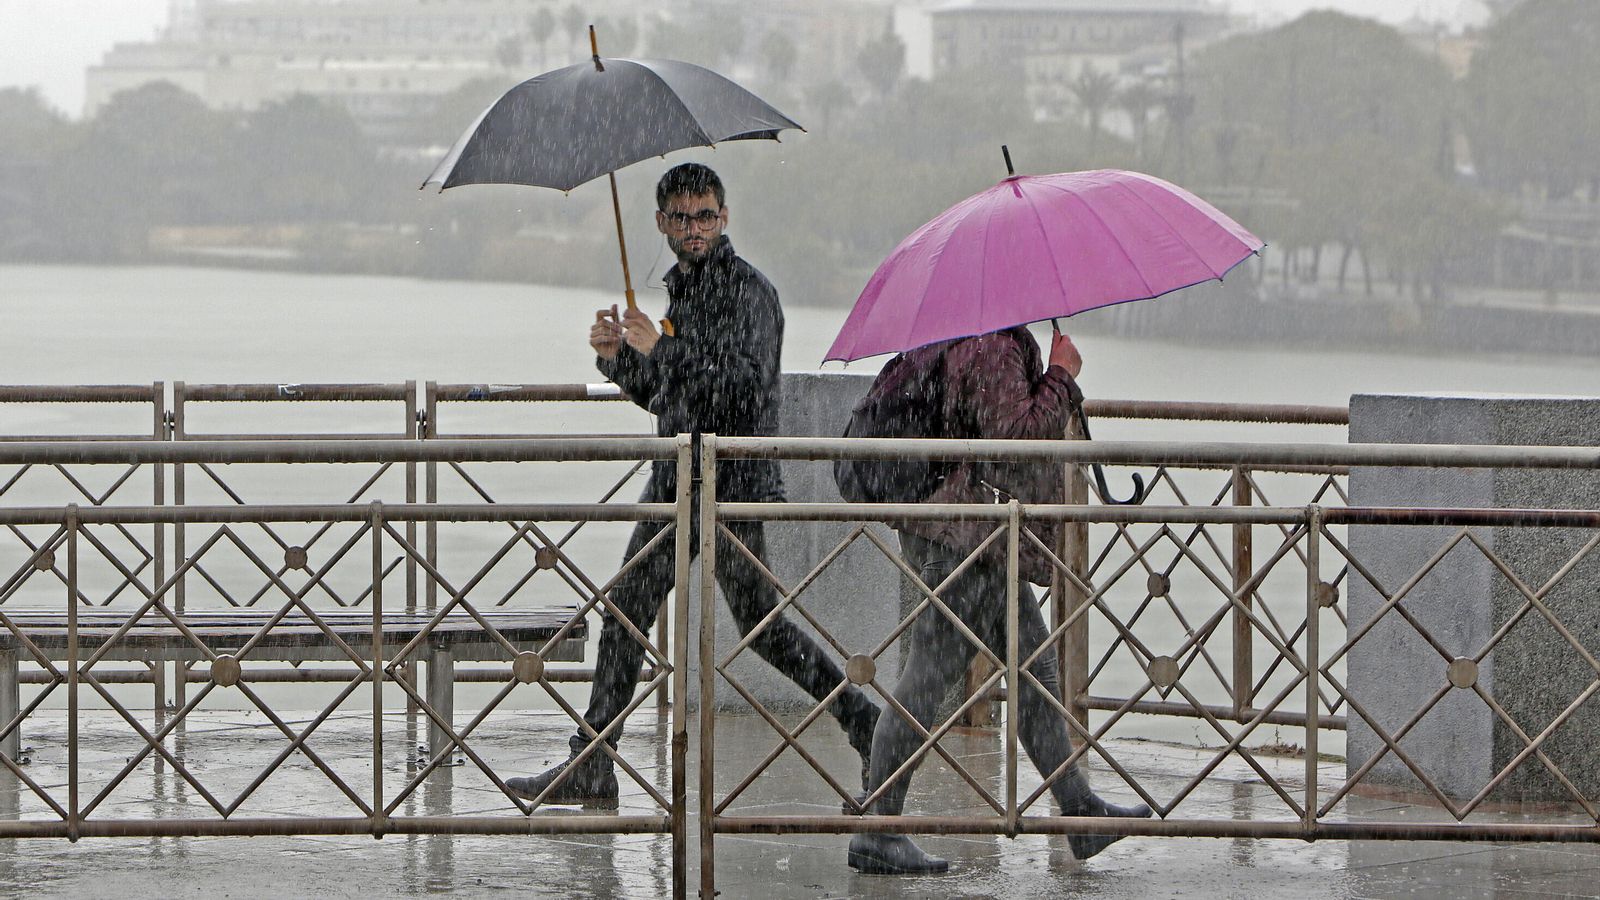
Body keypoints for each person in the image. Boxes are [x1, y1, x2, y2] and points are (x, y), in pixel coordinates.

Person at [507, 163, 880, 805]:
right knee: (630, 609)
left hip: (732, 486)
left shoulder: (747, 292)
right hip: (679, 481)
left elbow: (743, 389)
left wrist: (665, 348)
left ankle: (862, 719)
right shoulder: (683, 294)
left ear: (724, 217)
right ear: (661, 223)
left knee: (763, 628)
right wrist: (620, 358)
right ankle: (594, 761)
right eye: (681, 217)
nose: (694, 228)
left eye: (705, 215)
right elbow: (671, 398)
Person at [846, 324, 1152, 875]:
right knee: (927, 679)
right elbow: (1012, 439)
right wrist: (1061, 375)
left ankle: (1078, 812)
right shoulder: (990, 344)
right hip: (966, 536)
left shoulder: (968, 332)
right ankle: (878, 828)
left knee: (1035, 672)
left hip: (980, 534)